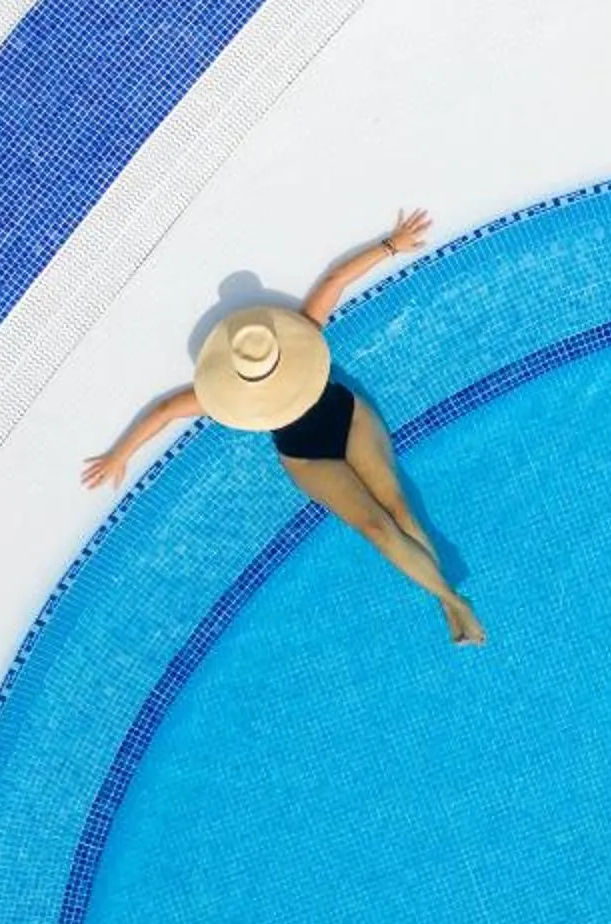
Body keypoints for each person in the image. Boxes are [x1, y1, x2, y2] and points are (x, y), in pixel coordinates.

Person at [83, 210, 486, 646]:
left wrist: (392, 244)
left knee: (399, 507)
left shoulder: (301, 334)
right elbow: (165, 410)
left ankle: (447, 599)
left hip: (346, 418)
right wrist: (119, 455)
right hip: (307, 456)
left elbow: (334, 282)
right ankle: (452, 599)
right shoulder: (222, 395)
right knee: (375, 527)